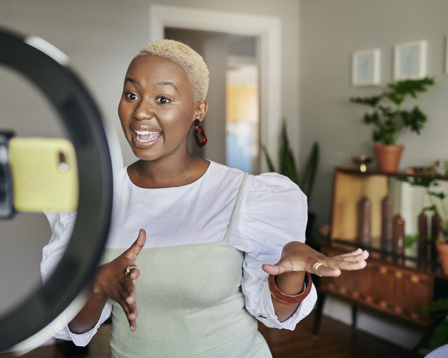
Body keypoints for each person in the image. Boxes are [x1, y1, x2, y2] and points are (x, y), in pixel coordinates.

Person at [41, 39, 369, 358]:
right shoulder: (97, 201)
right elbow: (76, 328)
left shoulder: (244, 196)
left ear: (198, 110)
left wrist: (293, 271)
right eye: (131, 94)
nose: (141, 111)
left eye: (163, 99)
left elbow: (276, 315)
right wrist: (98, 284)